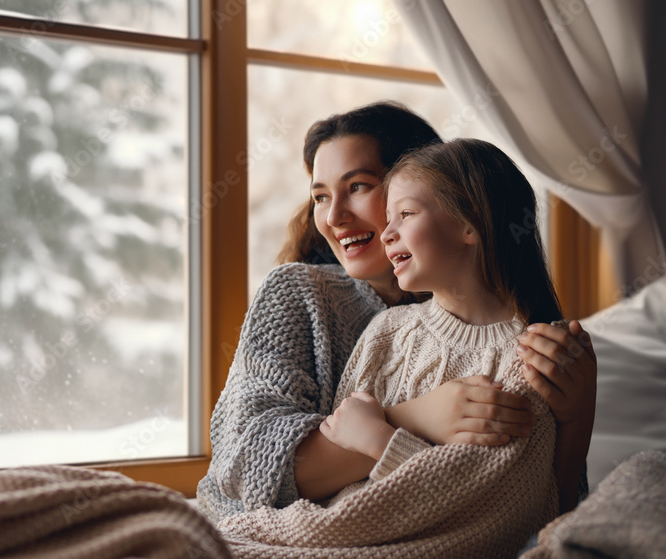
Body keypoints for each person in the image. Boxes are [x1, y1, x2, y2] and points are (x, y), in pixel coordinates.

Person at [196, 102, 596, 523]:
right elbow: (245, 470)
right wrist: (418, 417)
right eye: (320, 196)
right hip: (266, 527)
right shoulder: (299, 293)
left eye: (358, 187)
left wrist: (577, 420)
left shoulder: (500, 326)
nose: (333, 217)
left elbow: (540, 512)